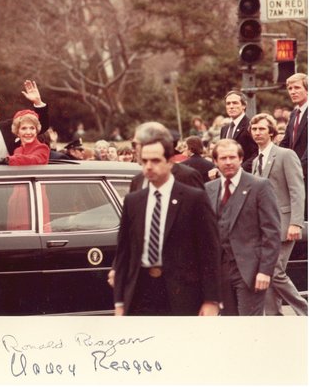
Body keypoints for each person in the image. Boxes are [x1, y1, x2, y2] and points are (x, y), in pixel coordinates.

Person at [113, 133, 221, 316]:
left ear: (170, 162)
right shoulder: (134, 201)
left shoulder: (193, 198)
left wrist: (211, 299)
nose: (148, 167)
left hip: (182, 293)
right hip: (141, 292)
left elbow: (209, 250)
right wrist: (119, 302)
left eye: (155, 160)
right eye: (144, 161)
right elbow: (124, 251)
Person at [205, 139, 280, 316]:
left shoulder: (259, 186)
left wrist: (265, 271)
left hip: (250, 272)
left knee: (249, 327)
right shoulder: (209, 189)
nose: (228, 162)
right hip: (220, 271)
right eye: (223, 158)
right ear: (215, 162)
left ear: (240, 159)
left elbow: (272, 232)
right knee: (229, 327)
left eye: (232, 157)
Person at [249, 113, 307, 316]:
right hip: (264, 228)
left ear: (272, 132)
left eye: (262, 129)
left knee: (273, 271)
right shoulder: (256, 161)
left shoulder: (285, 155)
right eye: (254, 129)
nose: (257, 132)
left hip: (284, 224)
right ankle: (275, 319)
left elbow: (297, 190)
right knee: (268, 272)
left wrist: (296, 223)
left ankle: (306, 311)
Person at [278, 73, 307, 220]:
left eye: (297, 87)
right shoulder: (294, 113)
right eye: (290, 88)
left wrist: (297, 168)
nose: (293, 91)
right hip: (296, 173)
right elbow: (286, 142)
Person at [220, 90, 258, 172]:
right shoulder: (224, 129)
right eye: (228, 103)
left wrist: (240, 169)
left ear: (244, 106)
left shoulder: (251, 126)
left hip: (245, 174)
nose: (231, 106)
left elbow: (257, 153)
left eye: (235, 103)